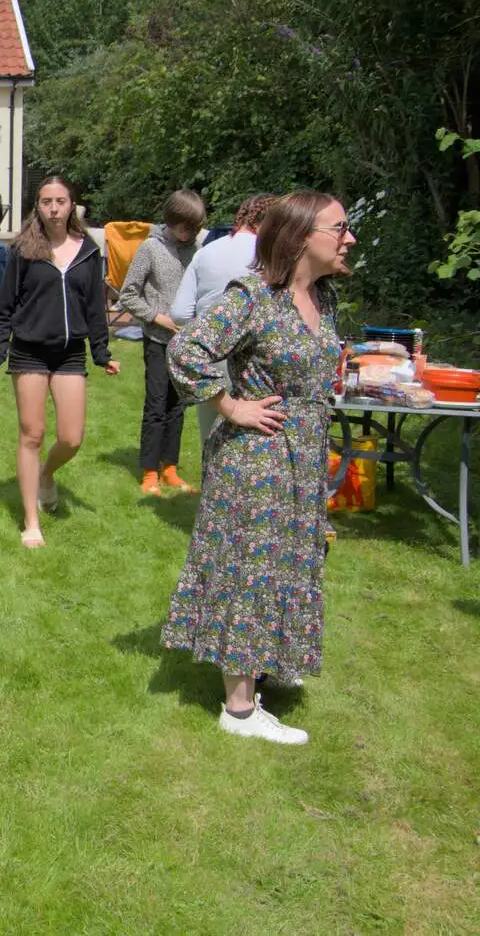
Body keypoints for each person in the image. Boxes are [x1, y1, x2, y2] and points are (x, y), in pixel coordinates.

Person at [162, 190, 355, 745]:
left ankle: (269, 661)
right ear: (299, 237)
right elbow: (187, 350)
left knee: (293, 558)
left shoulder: (325, 299)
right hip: (258, 461)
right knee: (253, 568)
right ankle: (240, 710)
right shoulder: (254, 298)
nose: (350, 239)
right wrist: (228, 404)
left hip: (303, 457)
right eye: (339, 228)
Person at [0, 175, 118, 549]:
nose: (54, 209)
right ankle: (31, 522)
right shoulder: (24, 249)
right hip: (28, 350)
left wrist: (102, 352)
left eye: (61, 201)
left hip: (70, 352)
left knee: (71, 438)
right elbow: (4, 305)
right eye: (46, 202)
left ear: (71, 204)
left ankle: (46, 474)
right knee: (32, 434)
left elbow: (95, 307)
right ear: (37, 206)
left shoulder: (88, 251)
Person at [117, 189, 205, 497]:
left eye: (195, 229)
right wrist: (157, 317)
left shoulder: (198, 248)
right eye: (187, 228)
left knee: (178, 406)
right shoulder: (150, 249)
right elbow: (127, 294)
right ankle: (150, 472)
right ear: (172, 221)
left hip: (188, 343)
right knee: (156, 405)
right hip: (157, 340)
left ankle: (170, 469)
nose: (191, 234)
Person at [170, 193, 277, 444]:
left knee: (212, 440)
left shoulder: (206, 253)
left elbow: (180, 313)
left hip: (211, 358)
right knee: (259, 442)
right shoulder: (272, 255)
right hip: (256, 361)